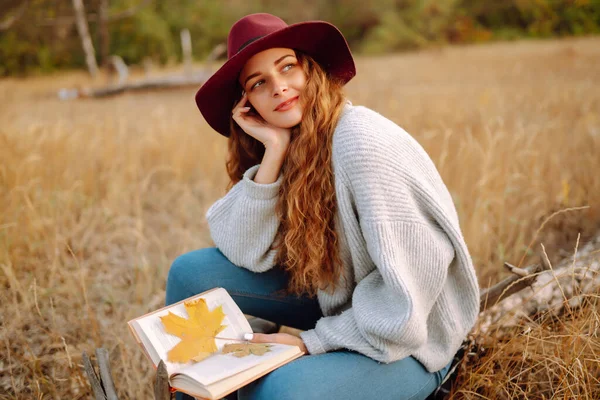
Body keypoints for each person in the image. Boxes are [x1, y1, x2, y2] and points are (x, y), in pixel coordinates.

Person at [165, 12, 480, 400]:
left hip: (410, 340)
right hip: (340, 300)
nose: (279, 88)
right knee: (189, 274)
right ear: (246, 104)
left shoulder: (362, 143)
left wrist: (309, 343)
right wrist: (274, 152)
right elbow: (240, 248)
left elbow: (406, 303)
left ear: (311, 70)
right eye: (259, 83)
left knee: (278, 390)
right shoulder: (294, 144)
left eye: (287, 68)